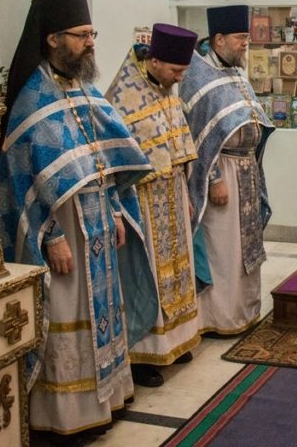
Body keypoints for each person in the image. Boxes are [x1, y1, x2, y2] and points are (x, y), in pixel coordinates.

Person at [0, 0, 158, 439]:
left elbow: (104, 159)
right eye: (82, 35)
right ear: (52, 39)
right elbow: (23, 181)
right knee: (69, 310)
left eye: (92, 34)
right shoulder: (33, 99)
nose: (90, 43)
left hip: (98, 222)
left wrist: (116, 211)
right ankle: (67, 416)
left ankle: (107, 399)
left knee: (103, 312)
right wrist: (51, 237)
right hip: (64, 228)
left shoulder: (83, 89)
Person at [105, 23, 203, 388]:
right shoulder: (123, 95)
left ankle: (175, 341)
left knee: (177, 271)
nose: (180, 78)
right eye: (176, 70)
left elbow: (179, 146)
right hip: (142, 199)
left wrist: (186, 194)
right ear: (155, 61)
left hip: (172, 194)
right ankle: (143, 354)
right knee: (147, 274)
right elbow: (116, 159)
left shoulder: (166, 89)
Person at [181, 5, 275, 334]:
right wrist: (213, 179)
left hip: (246, 170)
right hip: (222, 172)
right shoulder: (197, 76)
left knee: (244, 248)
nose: (245, 43)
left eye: (247, 37)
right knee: (223, 248)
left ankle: (243, 312)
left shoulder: (235, 73)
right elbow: (195, 135)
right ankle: (218, 318)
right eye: (240, 37)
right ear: (218, 39)